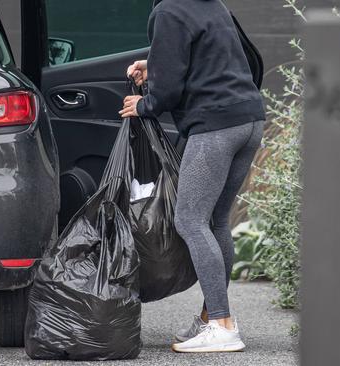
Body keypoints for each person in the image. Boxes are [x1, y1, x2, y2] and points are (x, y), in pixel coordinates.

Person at [119, 0, 266, 354]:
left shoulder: (168, 11)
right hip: (248, 119)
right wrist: (153, 65)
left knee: (189, 218)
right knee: (215, 221)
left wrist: (144, 105)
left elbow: (168, 89)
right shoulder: (211, 4)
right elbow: (225, 59)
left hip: (214, 126)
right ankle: (211, 317)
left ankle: (222, 324)